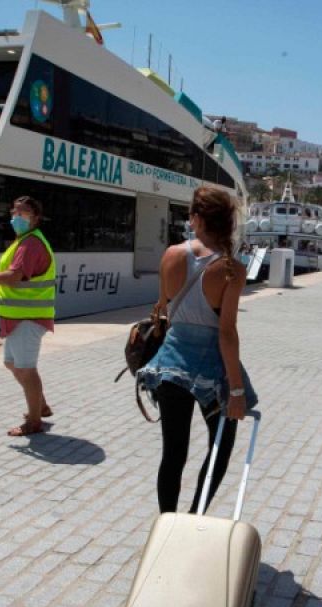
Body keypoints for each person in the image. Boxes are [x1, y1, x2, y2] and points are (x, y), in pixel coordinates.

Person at [137, 186, 258, 514]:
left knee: (173, 452)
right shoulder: (231, 268)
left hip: (172, 363)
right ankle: (194, 516)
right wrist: (236, 389)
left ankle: (167, 524)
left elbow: (163, 307)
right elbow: (227, 333)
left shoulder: (171, 255)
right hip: (212, 370)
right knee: (221, 446)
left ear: (196, 218)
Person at [0, 196, 55, 437]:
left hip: (28, 318)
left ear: (35, 218)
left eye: (22, 214)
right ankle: (40, 406)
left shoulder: (30, 243)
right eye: (14, 213)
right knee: (11, 363)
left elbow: (14, 276)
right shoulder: (24, 240)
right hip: (20, 317)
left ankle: (34, 421)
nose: (16, 218)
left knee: (26, 369)